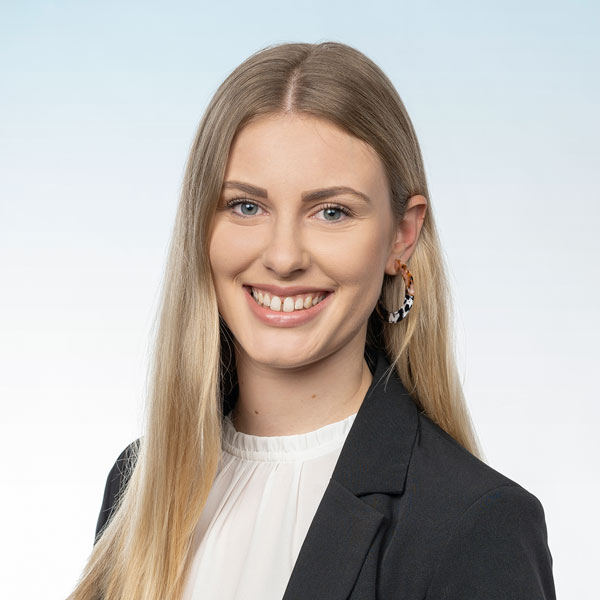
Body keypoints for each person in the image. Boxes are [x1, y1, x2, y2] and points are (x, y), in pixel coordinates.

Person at [69, 41, 556, 600]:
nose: (283, 257)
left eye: (331, 211)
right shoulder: (138, 482)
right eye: (246, 206)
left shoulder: (475, 523)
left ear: (402, 235)